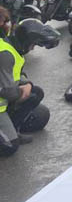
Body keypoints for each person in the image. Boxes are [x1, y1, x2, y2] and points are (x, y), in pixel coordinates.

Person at [0, 13, 59, 156]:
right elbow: (7, 92)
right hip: (3, 99)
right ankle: (9, 134)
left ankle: (12, 130)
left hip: (3, 102)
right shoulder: (5, 54)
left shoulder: (11, 49)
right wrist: (23, 92)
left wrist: (27, 84)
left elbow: (17, 73)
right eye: (33, 45)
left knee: (36, 93)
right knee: (9, 147)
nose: (32, 49)